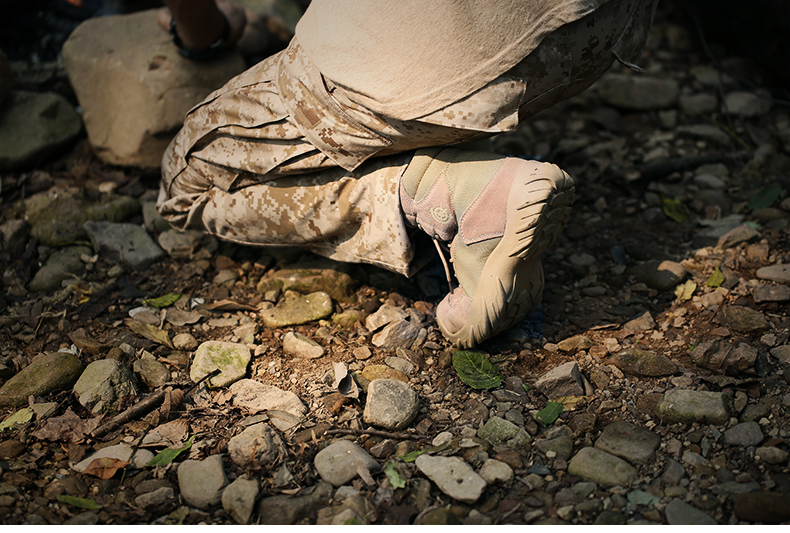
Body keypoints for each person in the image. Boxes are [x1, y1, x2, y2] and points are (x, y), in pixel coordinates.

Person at [157, 0, 659, 348]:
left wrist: (211, 29)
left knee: (185, 185)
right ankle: (437, 169)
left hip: (438, 49)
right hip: (596, 31)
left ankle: (446, 195)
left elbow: (199, 28)